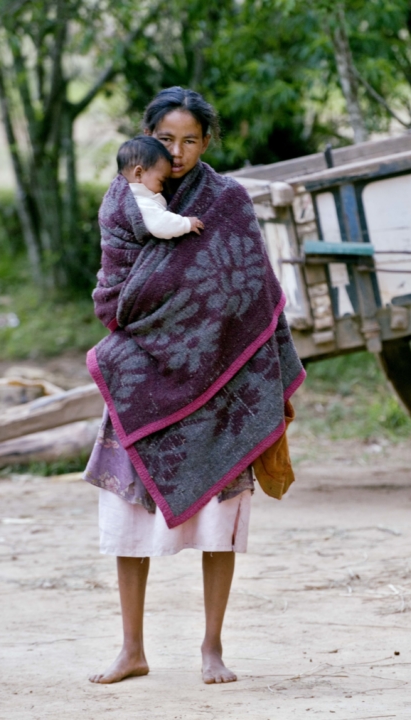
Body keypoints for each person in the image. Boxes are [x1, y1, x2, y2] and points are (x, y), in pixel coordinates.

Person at [84, 86, 305, 686]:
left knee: (219, 523)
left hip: (219, 378)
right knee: (130, 516)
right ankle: (131, 649)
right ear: (146, 137)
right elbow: (115, 289)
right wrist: (154, 316)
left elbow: (249, 286)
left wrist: (207, 328)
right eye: (165, 139)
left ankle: (212, 647)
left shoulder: (227, 200)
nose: (177, 152)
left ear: (207, 142)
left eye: (190, 140)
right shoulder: (122, 199)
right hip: (142, 374)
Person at [92, 135, 203, 333]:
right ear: (139, 173)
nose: (163, 187)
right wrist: (187, 223)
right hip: (121, 279)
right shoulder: (139, 201)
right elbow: (160, 224)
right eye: (161, 180)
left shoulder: (128, 194)